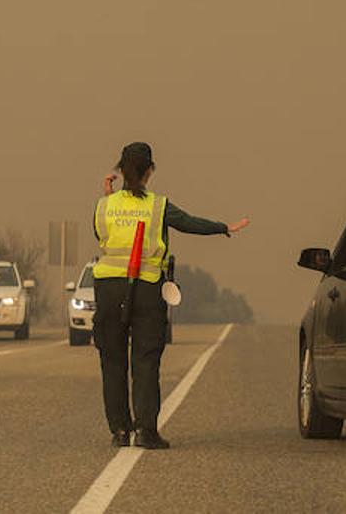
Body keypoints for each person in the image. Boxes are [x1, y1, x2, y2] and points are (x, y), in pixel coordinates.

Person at [92, 141, 249, 449]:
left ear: (120, 170)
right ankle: (146, 432)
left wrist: (110, 196)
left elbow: (104, 235)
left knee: (112, 360)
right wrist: (223, 227)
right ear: (150, 171)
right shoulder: (158, 206)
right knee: (146, 360)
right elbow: (188, 223)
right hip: (147, 289)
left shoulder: (103, 205)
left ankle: (120, 431)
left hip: (109, 289)